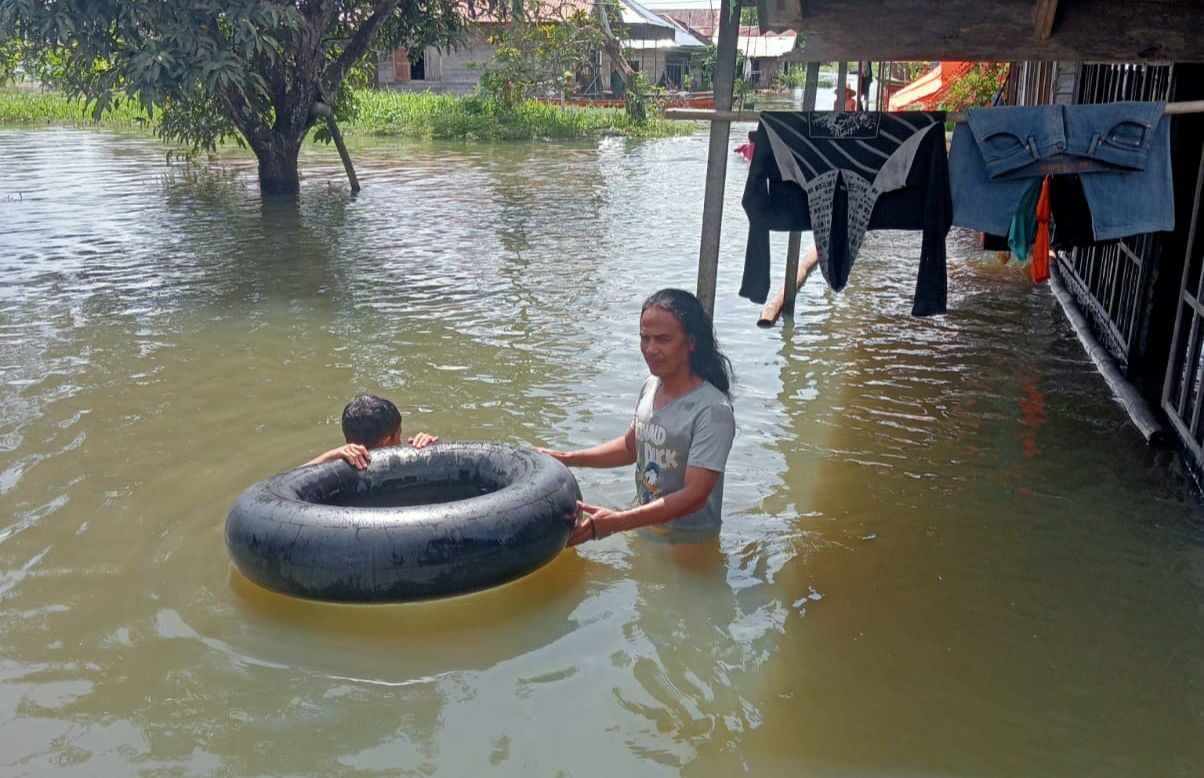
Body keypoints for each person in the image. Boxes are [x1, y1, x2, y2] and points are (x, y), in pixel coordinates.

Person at [542, 289, 736, 546]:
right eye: (645, 338)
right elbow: (630, 447)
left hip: (689, 541)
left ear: (691, 342)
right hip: (643, 523)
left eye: (663, 339)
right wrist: (565, 459)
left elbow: (695, 496)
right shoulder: (651, 386)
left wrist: (618, 522)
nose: (650, 349)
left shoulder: (713, 411)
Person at [304, 394, 438, 470]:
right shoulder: (403, 467)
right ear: (385, 441)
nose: (401, 442)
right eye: (398, 435)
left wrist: (331, 455)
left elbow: (288, 480)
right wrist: (428, 455)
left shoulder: (332, 470)